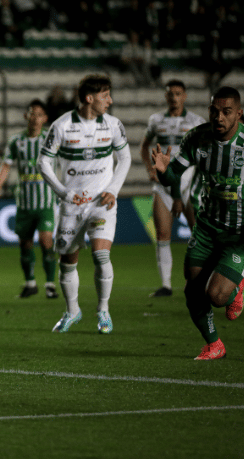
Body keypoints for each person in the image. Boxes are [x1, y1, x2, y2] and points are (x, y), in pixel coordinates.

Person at [151, 86, 244, 360]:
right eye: (214, 111)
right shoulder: (197, 138)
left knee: (217, 296)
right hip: (206, 227)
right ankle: (214, 344)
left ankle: (238, 285)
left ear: (239, 114)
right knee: (192, 287)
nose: (219, 117)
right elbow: (173, 178)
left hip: (238, 232)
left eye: (226, 112)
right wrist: (164, 170)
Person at [38, 74, 132, 334]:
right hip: (72, 205)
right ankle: (72, 311)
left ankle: (103, 310)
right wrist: (64, 192)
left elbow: (125, 159)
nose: (110, 101)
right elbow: (43, 162)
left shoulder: (113, 125)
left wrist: (113, 189)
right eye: (105, 96)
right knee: (68, 262)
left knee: (101, 255)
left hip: (101, 202)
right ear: (89, 99)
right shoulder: (62, 126)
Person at [139, 80, 206, 297]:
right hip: (162, 185)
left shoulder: (197, 121)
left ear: (185, 96)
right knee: (163, 234)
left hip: (189, 184)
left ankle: (199, 281)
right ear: (165, 97)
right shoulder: (156, 120)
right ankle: (166, 285)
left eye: (178, 93)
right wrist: (151, 169)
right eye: (170, 94)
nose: (174, 98)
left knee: (200, 233)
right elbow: (144, 146)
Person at [0, 100, 59, 299]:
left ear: (45, 118)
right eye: (32, 113)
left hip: (46, 201)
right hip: (24, 202)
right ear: (25, 116)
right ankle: (30, 283)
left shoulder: (51, 138)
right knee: (25, 243)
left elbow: (65, 159)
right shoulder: (16, 141)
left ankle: (50, 284)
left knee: (47, 241)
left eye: (39, 114)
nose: (35, 118)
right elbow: (6, 165)